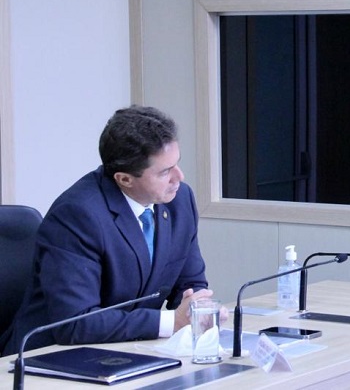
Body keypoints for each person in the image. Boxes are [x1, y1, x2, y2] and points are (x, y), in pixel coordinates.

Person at [2, 105, 221, 355]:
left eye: (177, 164)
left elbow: (190, 283)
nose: (179, 177)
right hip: (49, 356)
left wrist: (198, 308)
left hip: (127, 349)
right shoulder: (77, 215)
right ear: (124, 179)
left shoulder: (179, 200)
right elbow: (74, 323)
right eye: (164, 172)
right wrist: (172, 322)